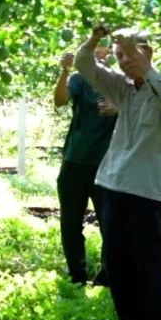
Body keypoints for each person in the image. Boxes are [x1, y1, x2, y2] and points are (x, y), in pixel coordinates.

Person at [74, 25, 161, 320]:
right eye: (119, 55)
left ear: (148, 52)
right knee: (118, 268)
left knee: (148, 270)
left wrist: (146, 69)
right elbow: (84, 64)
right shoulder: (123, 91)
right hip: (114, 187)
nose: (123, 61)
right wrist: (95, 40)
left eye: (130, 54)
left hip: (148, 193)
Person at [54, 43, 118, 286]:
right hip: (75, 161)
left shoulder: (118, 81)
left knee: (110, 224)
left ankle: (108, 275)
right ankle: (76, 275)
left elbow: (141, 106)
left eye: (104, 47)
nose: (98, 52)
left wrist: (120, 108)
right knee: (70, 222)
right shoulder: (80, 79)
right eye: (94, 47)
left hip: (106, 165)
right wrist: (64, 72)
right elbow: (60, 101)